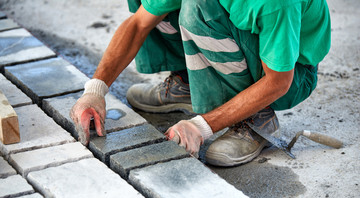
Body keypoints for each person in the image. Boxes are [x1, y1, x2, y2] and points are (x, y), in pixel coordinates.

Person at [70, 0, 331, 166]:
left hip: (290, 73)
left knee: (197, 9)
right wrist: (95, 90)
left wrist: (201, 127)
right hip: (264, 57)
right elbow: (139, 23)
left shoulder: (275, 4)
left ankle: (256, 118)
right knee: (159, 4)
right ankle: (190, 82)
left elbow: (278, 82)